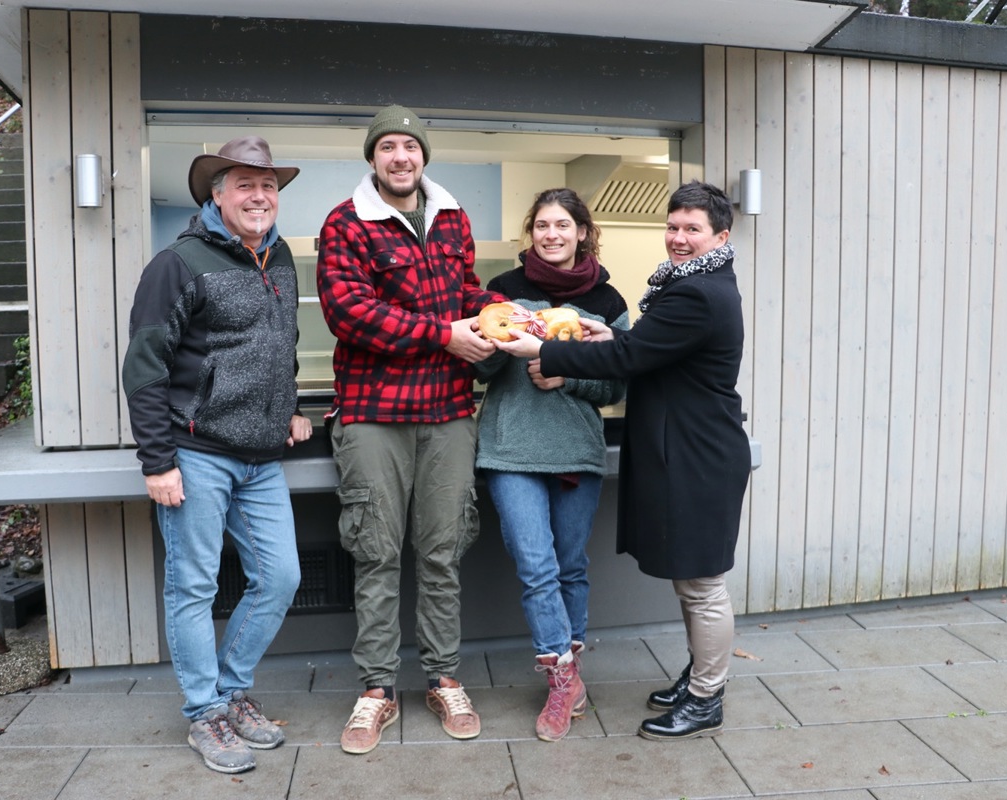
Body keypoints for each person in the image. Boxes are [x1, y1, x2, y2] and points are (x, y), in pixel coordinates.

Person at [494, 180, 751, 740]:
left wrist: (545, 348)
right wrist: (593, 330)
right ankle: (701, 677)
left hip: (699, 453)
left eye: (693, 230)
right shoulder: (696, 285)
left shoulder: (696, 293)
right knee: (692, 580)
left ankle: (707, 695)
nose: (679, 239)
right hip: (688, 448)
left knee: (703, 584)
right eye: (673, 226)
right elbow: (641, 346)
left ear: (721, 236)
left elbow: (631, 356)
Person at [316, 104, 504, 755]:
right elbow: (351, 314)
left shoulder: (452, 217)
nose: (401, 156)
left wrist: (505, 314)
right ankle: (376, 690)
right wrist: (445, 336)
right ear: (373, 157)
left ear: (424, 155)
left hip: (450, 412)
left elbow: (467, 292)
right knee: (375, 551)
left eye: (410, 146)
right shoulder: (345, 222)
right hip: (374, 414)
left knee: (443, 551)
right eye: (388, 146)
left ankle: (444, 677)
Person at [122, 136, 312, 773]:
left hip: (261, 455)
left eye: (269, 187)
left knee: (281, 576)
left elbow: (279, 341)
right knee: (194, 586)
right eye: (245, 185)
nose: (259, 197)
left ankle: (231, 692)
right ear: (217, 194)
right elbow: (144, 368)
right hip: (196, 450)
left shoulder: (279, 255)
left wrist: (286, 405)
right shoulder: (177, 264)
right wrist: (157, 462)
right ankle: (204, 712)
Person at [473, 188, 629, 741]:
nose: (552, 234)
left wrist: (566, 373)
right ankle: (562, 679)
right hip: (510, 448)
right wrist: (492, 345)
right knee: (536, 566)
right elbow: (480, 375)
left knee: (569, 566)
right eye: (542, 225)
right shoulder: (502, 291)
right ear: (530, 232)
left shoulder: (608, 301)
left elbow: (615, 381)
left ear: (582, 231)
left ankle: (571, 669)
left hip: (576, 450)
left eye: (563, 224)